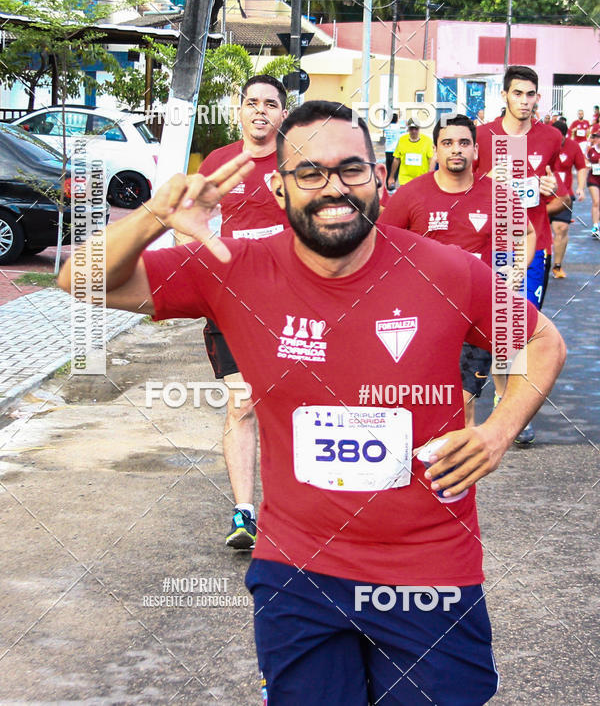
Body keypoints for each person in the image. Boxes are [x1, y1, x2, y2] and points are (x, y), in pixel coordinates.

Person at [58, 101, 566, 705]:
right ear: (278, 187)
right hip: (299, 572)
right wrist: (153, 217)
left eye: (352, 169)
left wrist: (498, 431)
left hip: (429, 573)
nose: (334, 188)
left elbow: (541, 339)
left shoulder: (445, 271)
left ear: (380, 178)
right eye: (310, 173)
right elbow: (78, 279)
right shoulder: (230, 268)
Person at [382, 114, 535, 428]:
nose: (456, 150)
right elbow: (381, 243)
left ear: (476, 150)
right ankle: (424, 469)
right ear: (435, 151)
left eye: (464, 143)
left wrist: (516, 271)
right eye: (447, 143)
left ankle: (460, 477)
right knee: (423, 401)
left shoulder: (497, 193)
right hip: (423, 317)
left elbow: (527, 233)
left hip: (476, 315)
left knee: (462, 402)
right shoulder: (412, 195)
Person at [198, 74, 289, 548]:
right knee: (243, 402)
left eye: (269, 104)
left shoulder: (298, 163)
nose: (260, 111)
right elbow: (190, 227)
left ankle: (294, 511)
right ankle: (244, 514)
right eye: (251, 103)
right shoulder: (218, 163)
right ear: (239, 110)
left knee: (290, 402)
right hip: (229, 302)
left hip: (289, 303)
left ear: (282, 114)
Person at [475, 66, 561, 444]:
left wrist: (550, 189)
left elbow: (560, 201)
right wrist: (485, 182)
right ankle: (504, 398)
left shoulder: (551, 137)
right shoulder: (482, 137)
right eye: (517, 94)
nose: (524, 101)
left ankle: (514, 406)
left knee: (522, 329)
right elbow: (457, 187)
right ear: (504, 95)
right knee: (499, 327)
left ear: (538, 97)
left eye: (530, 95)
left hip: (533, 244)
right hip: (492, 243)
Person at [547, 120, 586, 278]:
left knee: (561, 229)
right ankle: (535, 263)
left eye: (561, 138)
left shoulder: (573, 146)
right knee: (536, 231)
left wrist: (581, 188)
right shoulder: (544, 145)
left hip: (564, 196)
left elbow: (581, 167)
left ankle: (557, 266)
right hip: (543, 196)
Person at [387, 118, 435, 188]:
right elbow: (396, 159)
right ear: (408, 128)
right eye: (411, 128)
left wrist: (430, 177)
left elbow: (431, 160)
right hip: (405, 180)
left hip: (421, 180)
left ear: (419, 128)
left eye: (416, 128)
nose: (414, 131)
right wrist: (391, 177)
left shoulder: (427, 141)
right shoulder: (402, 140)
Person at [586, 129, 600, 238]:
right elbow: (586, 162)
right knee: (596, 201)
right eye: (595, 137)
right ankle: (595, 226)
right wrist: (592, 165)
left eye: (598, 137)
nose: (596, 139)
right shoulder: (591, 150)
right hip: (593, 179)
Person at [383, 113, 402, 185]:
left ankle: (388, 184)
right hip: (395, 150)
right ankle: (392, 183)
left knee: (388, 168)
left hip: (387, 150)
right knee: (395, 169)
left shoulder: (387, 127)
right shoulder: (398, 127)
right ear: (397, 119)